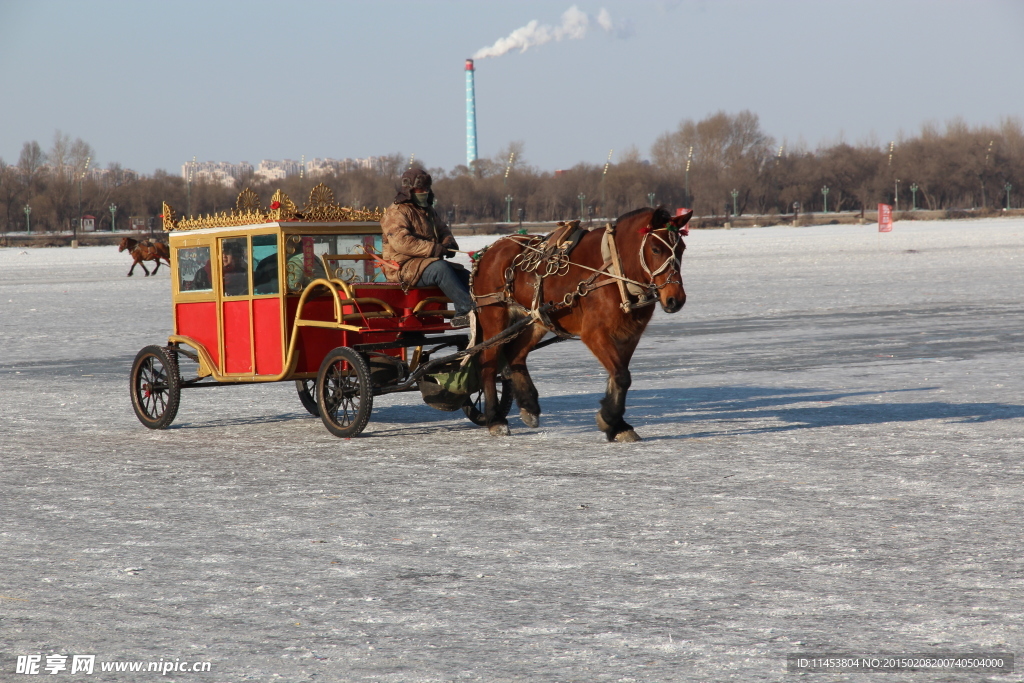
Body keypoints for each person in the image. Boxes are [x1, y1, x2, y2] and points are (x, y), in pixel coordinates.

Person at [381, 168, 475, 327]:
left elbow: (443, 230)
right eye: (420, 189)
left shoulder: (428, 211)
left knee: (464, 274)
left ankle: (481, 308)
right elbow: (402, 242)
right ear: (409, 189)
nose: (424, 192)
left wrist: (448, 243)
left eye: (427, 188)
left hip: (425, 264)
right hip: (402, 267)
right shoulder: (395, 212)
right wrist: (434, 249)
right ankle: (465, 310)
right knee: (441, 269)